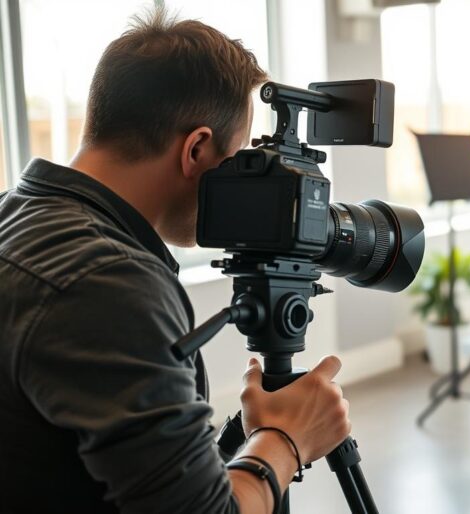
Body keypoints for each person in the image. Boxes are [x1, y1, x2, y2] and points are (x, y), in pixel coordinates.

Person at [0, 8, 351, 514]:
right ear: (197, 150)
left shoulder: (18, 216)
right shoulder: (108, 283)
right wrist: (286, 439)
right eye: (237, 161)